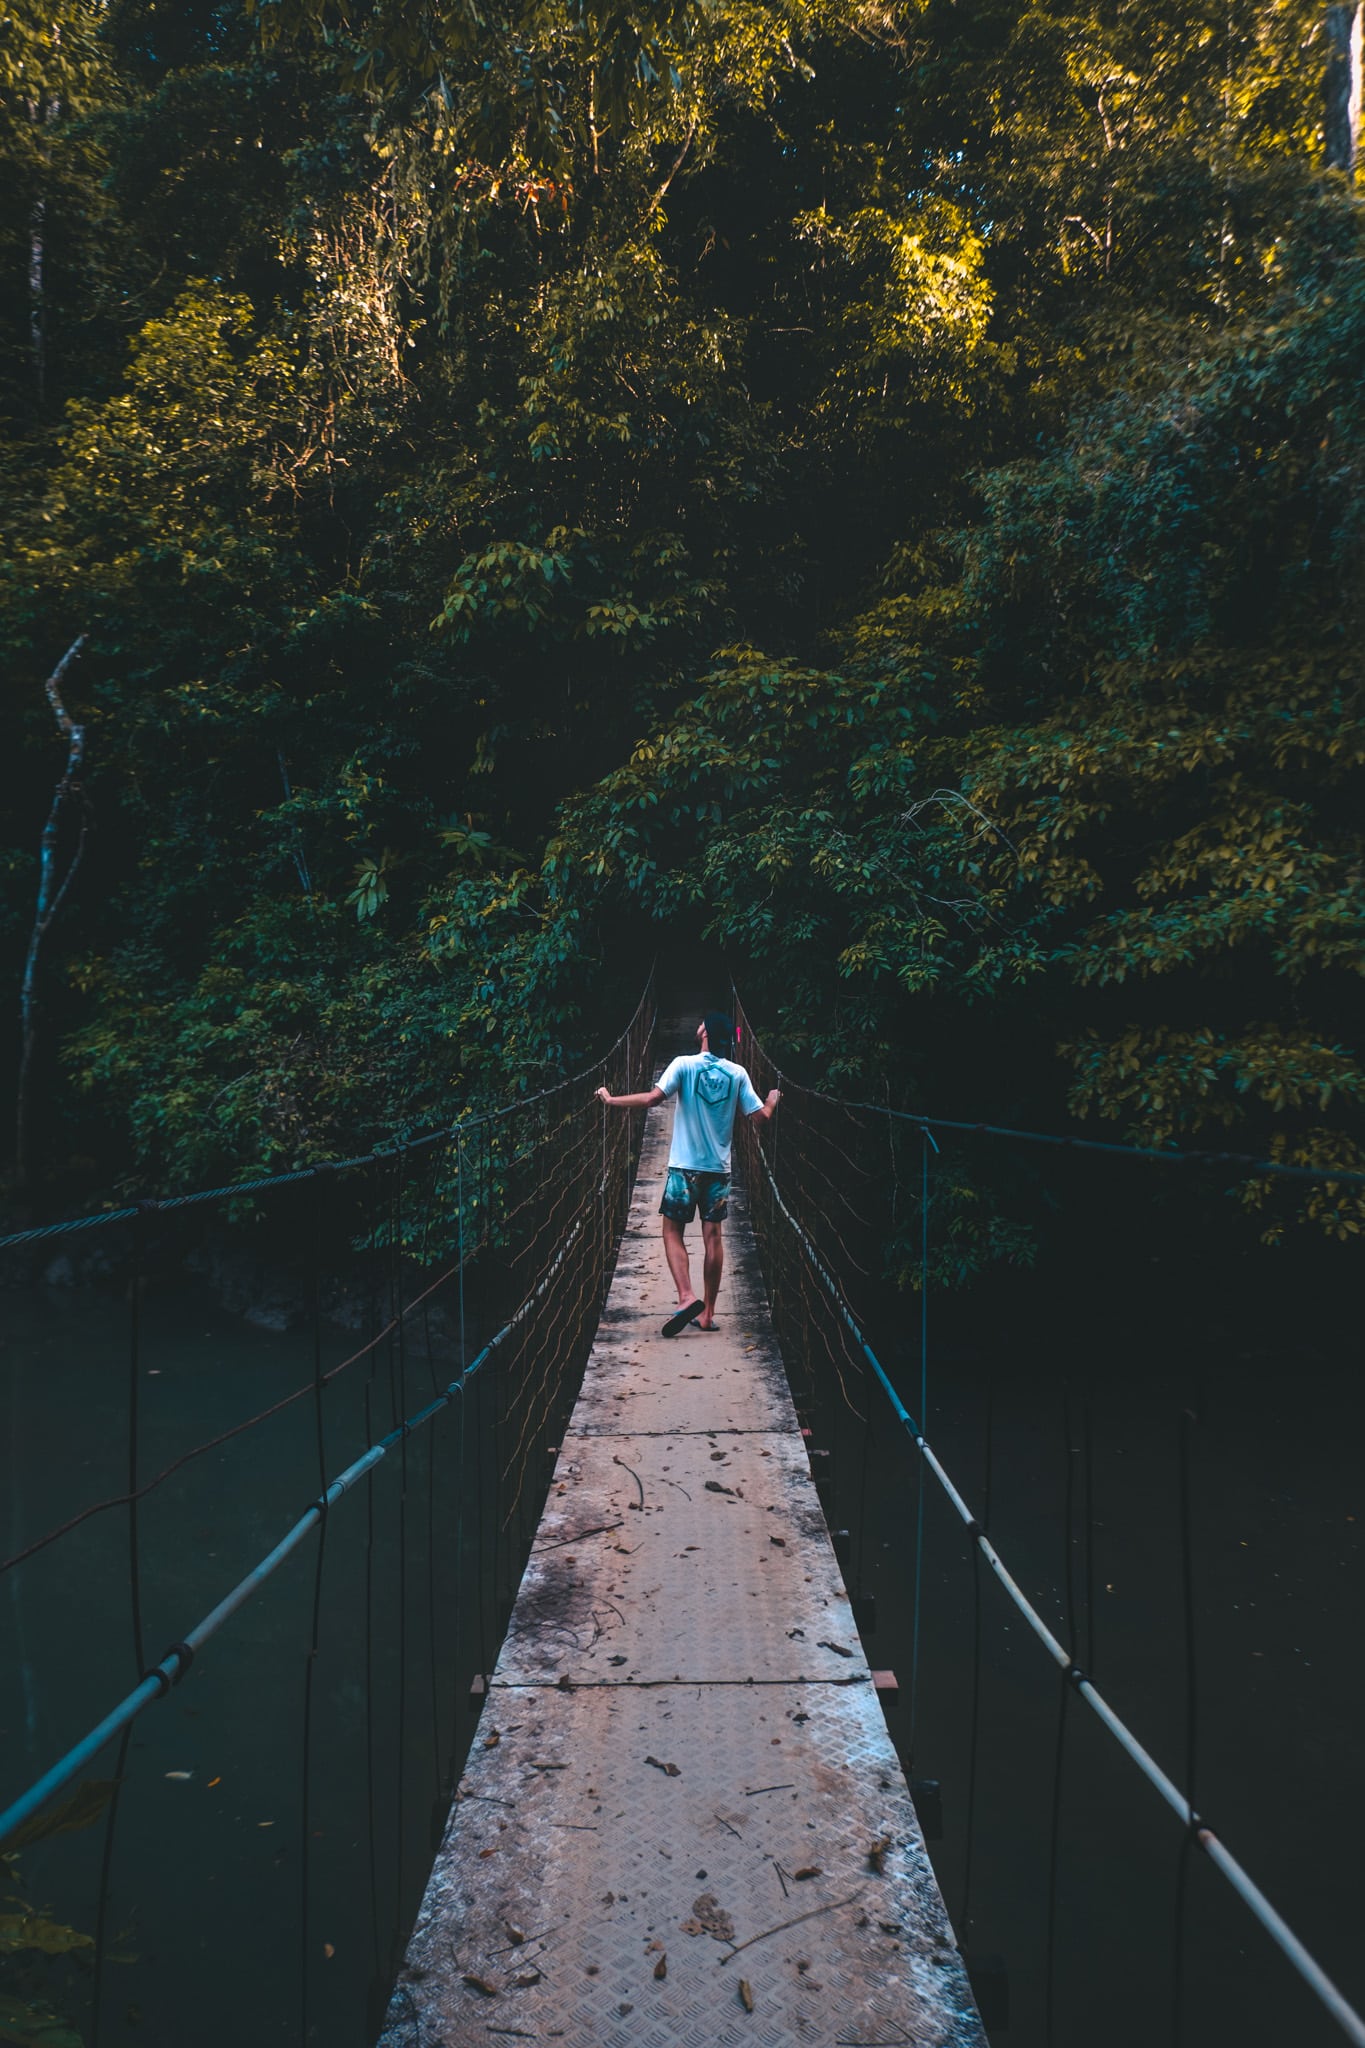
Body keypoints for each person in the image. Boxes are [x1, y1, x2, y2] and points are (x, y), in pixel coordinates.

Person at [596, 1011, 780, 1335]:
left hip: (684, 1167)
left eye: (701, 1023)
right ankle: (707, 1314)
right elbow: (761, 1117)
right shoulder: (737, 1073)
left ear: (706, 1032)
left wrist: (611, 1100)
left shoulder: (683, 1064)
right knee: (713, 1238)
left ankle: (685, 1296)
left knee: (671, 1232)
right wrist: (772, 1099)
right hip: (718, 1171)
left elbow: (654, 1099)